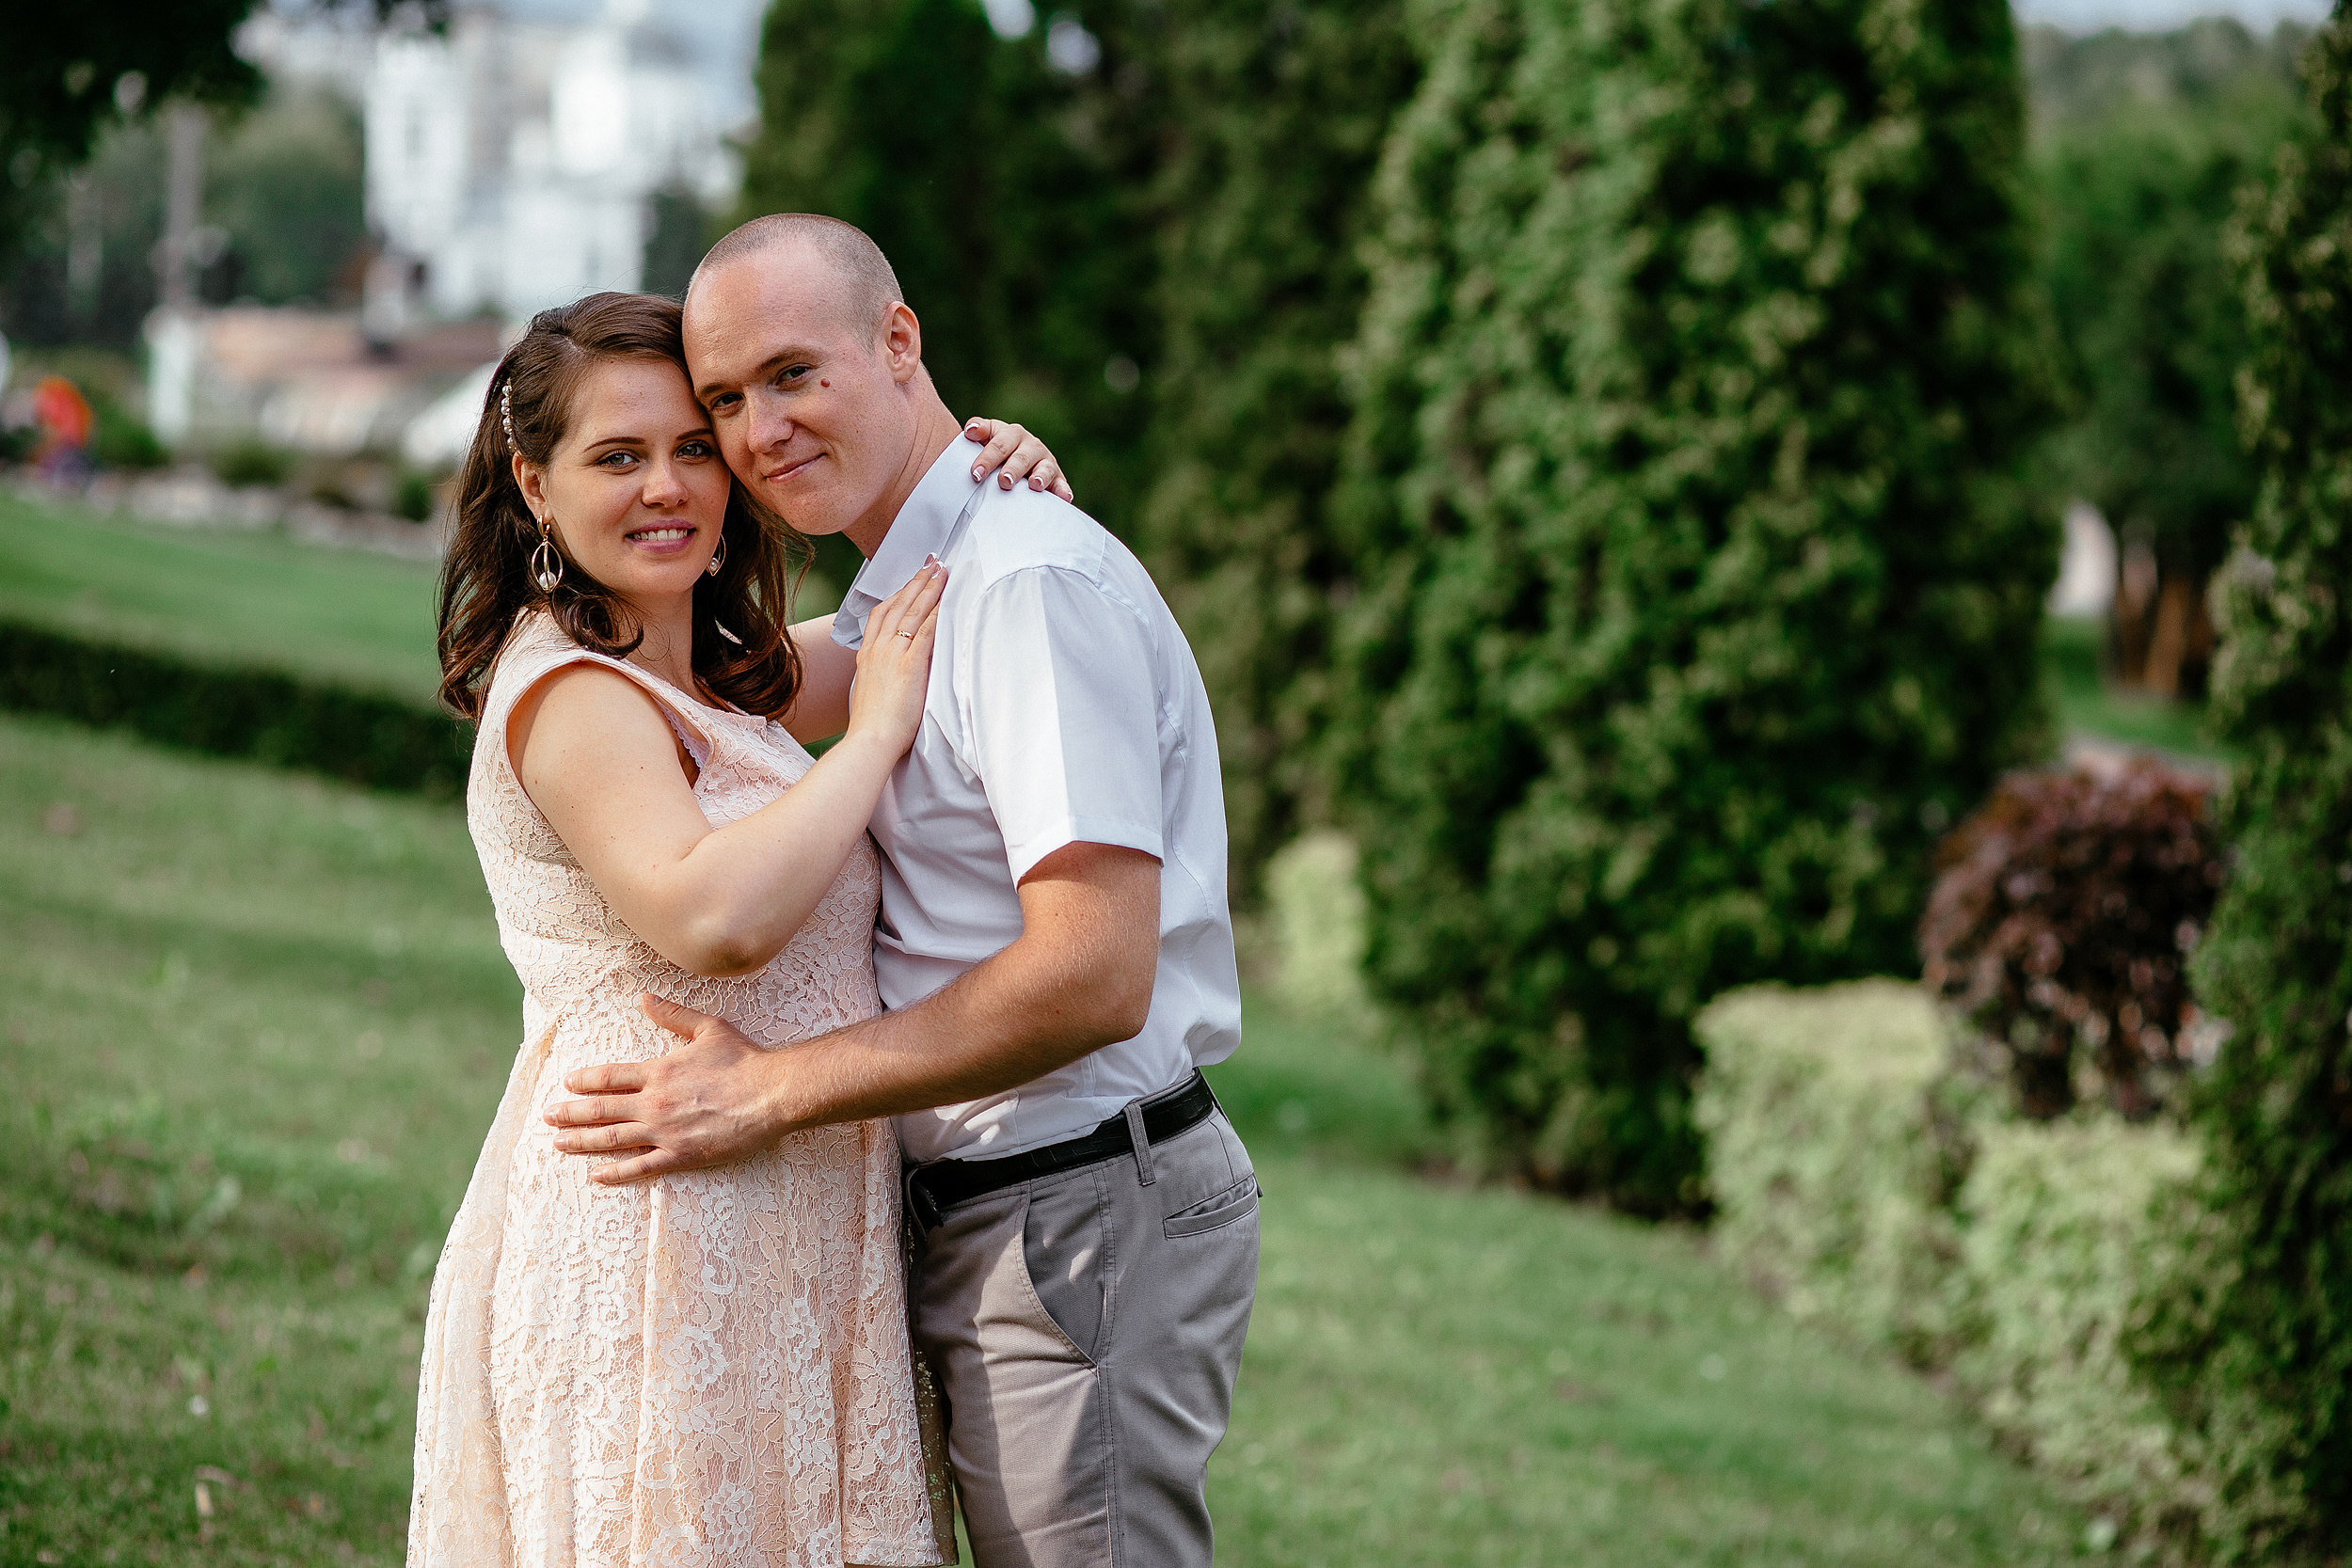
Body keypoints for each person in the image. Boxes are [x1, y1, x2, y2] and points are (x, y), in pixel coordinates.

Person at [546, 215, 1258, 1568]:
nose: (758, 431)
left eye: (793, 374)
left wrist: (766, 1087)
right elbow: (728, 679)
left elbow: (1094, 973)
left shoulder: (1026, 585)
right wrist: (563, 561)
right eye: (724, 403)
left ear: (900, 340)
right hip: (999, 1216)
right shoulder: (929, 576)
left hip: (1079, 1212)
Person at [408, 288, 1070, 1568]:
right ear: (536, 489)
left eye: (692, 449)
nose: (667, 487)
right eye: (617, 457)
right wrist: (870, 738)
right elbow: (715, 916)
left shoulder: (706, 676)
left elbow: (915, 623)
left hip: (780, 1211)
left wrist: (994, 483)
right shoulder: (568, 690)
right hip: (657, 1233)